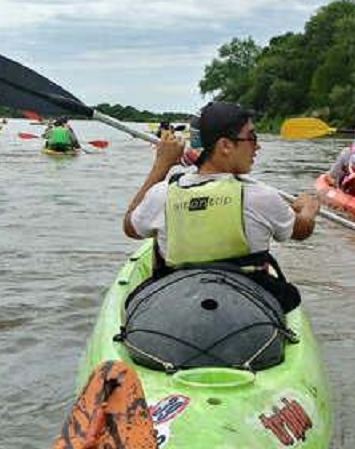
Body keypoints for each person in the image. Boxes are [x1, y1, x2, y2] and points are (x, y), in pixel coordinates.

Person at [124, 101, 319, 312]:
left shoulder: (162, 194)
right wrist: (307, 208)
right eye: (252, 138)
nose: (257, 146)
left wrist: (161, 166)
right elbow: (301, 230)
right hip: (247, 312)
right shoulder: (262, 196)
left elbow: (130, 226)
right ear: (225, 146)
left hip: (178, 306)